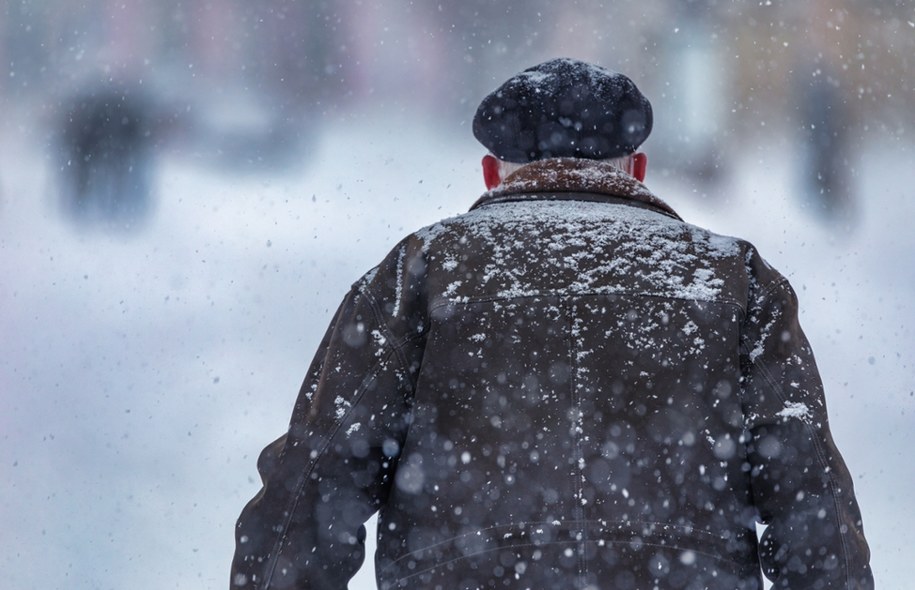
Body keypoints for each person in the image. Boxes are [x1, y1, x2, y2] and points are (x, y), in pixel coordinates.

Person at [230, 58, 873, 590]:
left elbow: (312, 487)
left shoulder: (420, 272)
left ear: (490, 172)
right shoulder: (733, 279)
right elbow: (808, 497)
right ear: (637, 168)